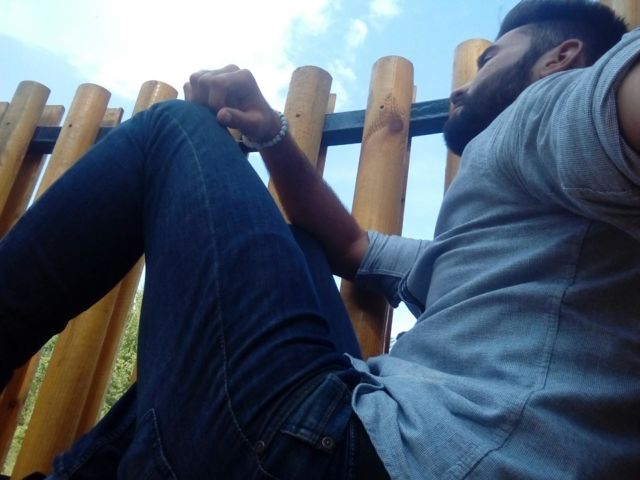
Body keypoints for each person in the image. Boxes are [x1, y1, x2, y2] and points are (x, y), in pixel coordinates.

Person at [1, 0, 639, 477]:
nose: (463, 85)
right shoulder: (522, 260)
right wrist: (271, 134)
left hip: (374, 460)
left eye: (489, 59)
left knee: (172, 130)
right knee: (298, 250)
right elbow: (351, 247)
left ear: (560, 57)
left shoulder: (557, 103)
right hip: (370, 449)